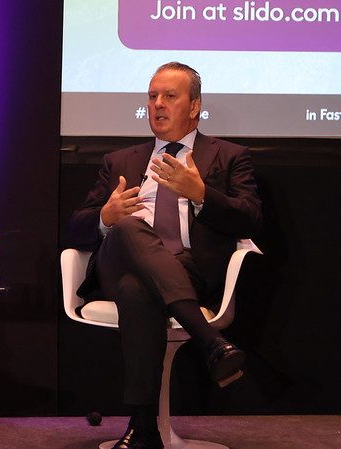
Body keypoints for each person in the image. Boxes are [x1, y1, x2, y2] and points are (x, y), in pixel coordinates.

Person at [69, 62, 262, 449]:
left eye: (169, 96)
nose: (157, 104)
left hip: (187, 270)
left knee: (137, 291)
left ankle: (143, 429)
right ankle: (210, 341)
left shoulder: (229, 156)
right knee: (128, 227)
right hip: (117, 261)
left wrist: (202, 194)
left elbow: (251, 218)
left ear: (195, 106)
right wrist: (106, 217)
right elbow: (74, 227)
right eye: (152, 96)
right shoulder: (120, 161)